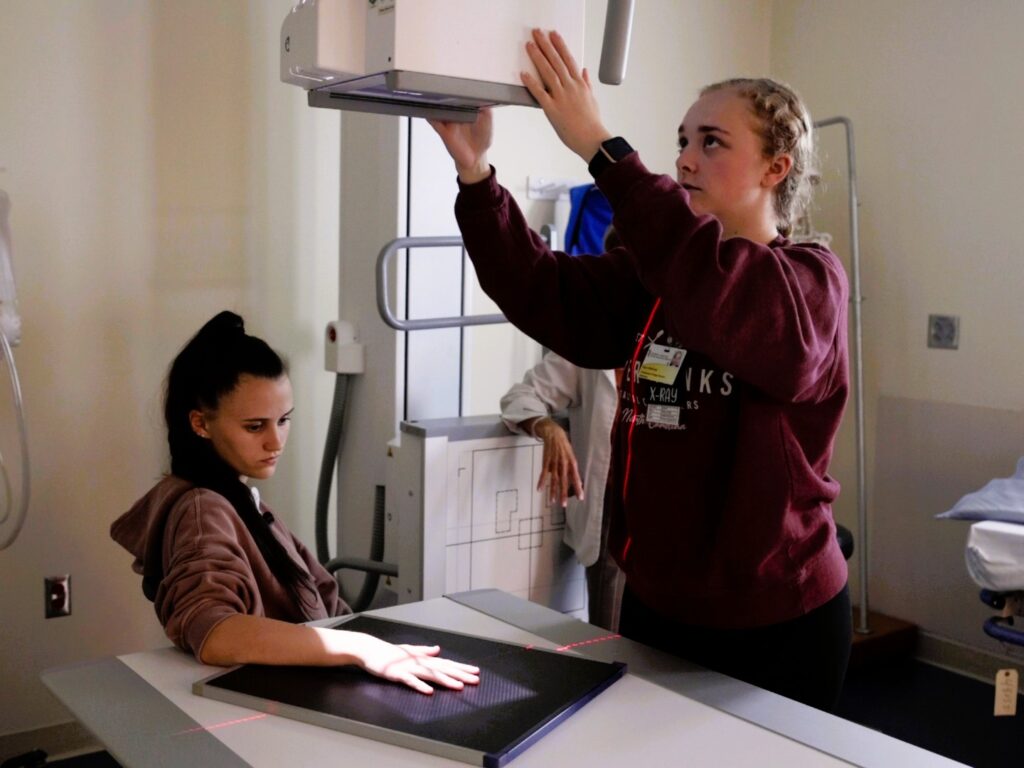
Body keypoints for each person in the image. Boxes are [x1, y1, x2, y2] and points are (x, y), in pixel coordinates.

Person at [430, 29, 851, 710]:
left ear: (776, 167)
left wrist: (602, 148)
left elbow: (723, 291)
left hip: (777, 621)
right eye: (682, 140)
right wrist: (476, 175)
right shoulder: (653, 281)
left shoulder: (808, 284)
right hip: (658, 608)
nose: (685, 158)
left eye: (711, 142)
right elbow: (541, 289)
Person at [111, 311, 480, 695]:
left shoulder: (242, 502)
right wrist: (359, 647)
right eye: (255, 426)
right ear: (201, 424)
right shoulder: (204, 511)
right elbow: (214, 630)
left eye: (283, 420)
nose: (276, 442)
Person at [500, 349, 625, 632]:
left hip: (670, 518)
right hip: (615, 518)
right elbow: (519, 397)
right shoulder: (591, 349)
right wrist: (549, 429)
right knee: (614, 645)